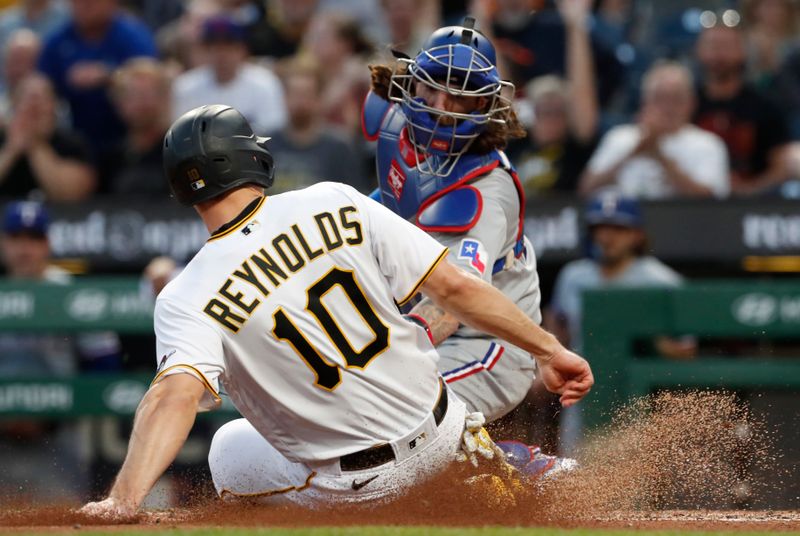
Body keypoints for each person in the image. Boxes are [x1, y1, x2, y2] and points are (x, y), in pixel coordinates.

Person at [79, 104, 593, 518]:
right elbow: (455, 288)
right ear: (250, 160)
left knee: (228, 450)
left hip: (355, 487)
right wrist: (549, 349)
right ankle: (493, 469)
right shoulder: (332, 200)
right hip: (442, 435)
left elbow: (174, 396)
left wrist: (122, 499)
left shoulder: (184, 294)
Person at [363, 17, 546, 424]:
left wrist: (373, 351)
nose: (441, 108)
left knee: (394, 413)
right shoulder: (401, 134)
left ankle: (524, 471)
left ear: (484, 104)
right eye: (433, 87)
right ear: (413, 82)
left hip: (487, 345)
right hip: (420, 330)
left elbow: (455, 304)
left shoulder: (488, 188)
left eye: (460, 96)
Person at [545, 193, 694, 453]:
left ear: (636, 235)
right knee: (574, 472)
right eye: (601, 228)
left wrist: (649, 338)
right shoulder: (574, 275)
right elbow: (558, 324)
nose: (607, 237)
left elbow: (686, 351)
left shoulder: (661, 281)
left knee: (633, 483)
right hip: (583, 389)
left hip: (639, 394)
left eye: (618, 229)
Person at [0, 200, 121, 501]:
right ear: (3, 242)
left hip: (58, 435)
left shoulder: (70, 290)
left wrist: (62, 404)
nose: (24, 248)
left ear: (48, 243)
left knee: (62, 519)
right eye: (16, 238)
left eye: (34, 238)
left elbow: (105, 363)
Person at [579, 61, 730, 200]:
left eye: (676, 99)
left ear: (691, 103)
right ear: (645, 102)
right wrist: (631, 153)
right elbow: (586, 189)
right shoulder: (620, 138)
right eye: (660, 98)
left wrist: (660, 157)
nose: (668, 107)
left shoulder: (708, 145)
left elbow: (712, 201)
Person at [506, 0, 599, 196]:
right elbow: (501, 98)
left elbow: (582, 94)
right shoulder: (518, 145)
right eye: (544, 111)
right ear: (532, 115)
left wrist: (576, 26)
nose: (551, 119)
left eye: (558, 111)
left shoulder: (575, 149)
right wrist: (482, 21)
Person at [694, 22, 792, 195]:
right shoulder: (687, 104)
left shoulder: (765, 106)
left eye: (726, 46)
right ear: (699, 51)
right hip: (691, 203)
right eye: (713, 46)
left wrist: (749, 190)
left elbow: (782, 166)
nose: (719, 54)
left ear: (743, 51)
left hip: (754, 205)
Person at [171, 15, 287, 135]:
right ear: (206, 51)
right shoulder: (186, 86)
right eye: (215, 47)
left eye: (229, 47)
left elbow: (273, 132)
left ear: (243, 50)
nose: (222, 55)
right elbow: (181, 134)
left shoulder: (264, 82)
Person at [268, 58, 370, 193]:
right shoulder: (266, 144)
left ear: (319, 99)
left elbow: (354, 198)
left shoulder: (338, 147)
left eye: (306, 95)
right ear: (284, 97)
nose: (300, 102)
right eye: (294, 94)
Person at [0, 73, 95, 201]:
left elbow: (70, 194)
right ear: (13, 105)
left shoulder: (73, 143)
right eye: (26, 98)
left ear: (54, 105)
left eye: (42, 98)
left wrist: (36, 145)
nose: (34, 104)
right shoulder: (3, 141)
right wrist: (12, 149)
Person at [102, 57, 172, 196]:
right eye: (134, 95)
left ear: (165, 98)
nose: (143, 103)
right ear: (118, 103)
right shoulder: (110, 158)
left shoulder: (181, 151)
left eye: (150, 94)